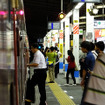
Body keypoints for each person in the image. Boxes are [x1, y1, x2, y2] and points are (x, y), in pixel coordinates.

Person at [80, 41, 95, 105]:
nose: (81, 49)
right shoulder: (91, 55)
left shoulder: (88, 57)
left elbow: (85, 70)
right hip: (92, 77)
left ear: (85, 48)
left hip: (88, 78)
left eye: (82, 48)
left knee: (86, 95)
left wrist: (83, 80)